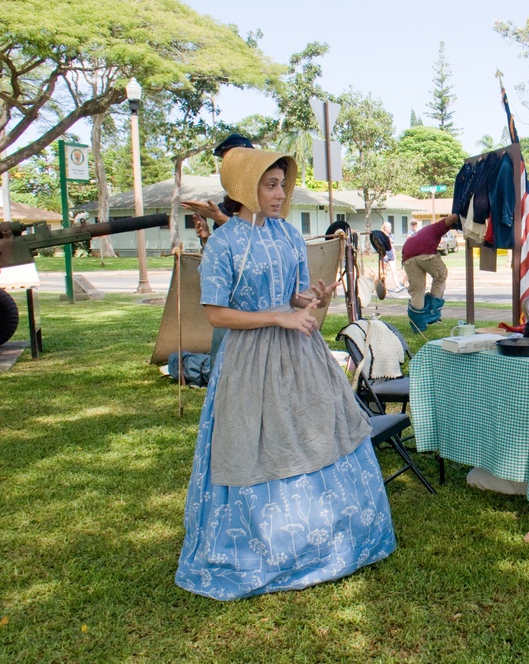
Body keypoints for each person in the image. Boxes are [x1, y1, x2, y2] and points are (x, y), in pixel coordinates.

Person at [175, 148, 396, 600]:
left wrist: (307, 298)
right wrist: (277, 318)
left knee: (319, 434)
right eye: (269, 185)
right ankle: (267, 548)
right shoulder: (224, 242)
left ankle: (335, 537)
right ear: (244, 188)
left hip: (301, 354)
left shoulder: (289, 236)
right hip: (250, 362)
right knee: (255, 443)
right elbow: (217, 315)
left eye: (281, 185)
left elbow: (293, 297)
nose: (279, 195)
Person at [184, 133, 255, 246]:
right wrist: (206, 238)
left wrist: (219, 218)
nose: (229, 168)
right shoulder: (225, 208)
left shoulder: (266, 200)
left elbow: (260, 243)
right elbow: (220, 254)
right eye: (225, 162)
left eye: (234, 160)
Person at [402, 214, 459, 331]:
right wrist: (463, 216)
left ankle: (418, 326)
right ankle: (432, 313)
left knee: (417, 289)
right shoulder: (438, 226)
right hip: (425, 252)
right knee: (441, 275)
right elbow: (454, 217)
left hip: (407, 256)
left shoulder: (424, 230)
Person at [380, 221, 405, 292]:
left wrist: (394, 256)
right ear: (384, 228)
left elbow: (392, 246)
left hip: (390, 255)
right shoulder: (382, 235)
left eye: (390, 226)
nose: (390, 228)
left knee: (394, 271)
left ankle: (397, 286)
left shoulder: (391, 235)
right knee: (383, 272)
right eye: (388, 227)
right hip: (384, 254)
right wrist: (383, 255)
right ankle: (383, 287)